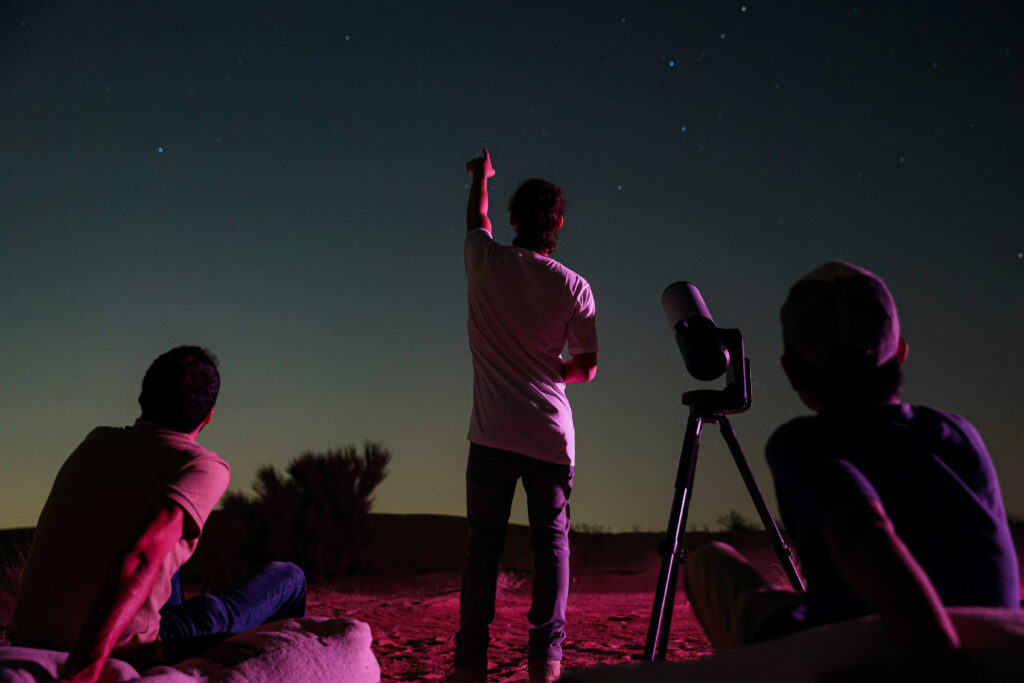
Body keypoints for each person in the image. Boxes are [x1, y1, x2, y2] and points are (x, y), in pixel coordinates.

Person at [684, 261, 1019, 678]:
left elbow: (863, 533)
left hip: (889, 645)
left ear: (791, 372)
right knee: (783, 601)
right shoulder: (959, 431)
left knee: (708, 564)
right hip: (994, 633)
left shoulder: (804, 443)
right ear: (900, 352)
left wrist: (942, 661)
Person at [10, 346, 307, 683]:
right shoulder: (203, 465)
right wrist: (85, 667)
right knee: (289, 578)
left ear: (142, 395)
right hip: (120, 647)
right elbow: (139, 557)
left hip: (30, 633)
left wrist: (209, 557)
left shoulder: (96, 442)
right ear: (208, 414)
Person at [452, 149, 599, 683]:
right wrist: (551, 371)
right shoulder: (574, 286)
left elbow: (477, 220)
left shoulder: (484, 261)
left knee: (482, 552)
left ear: (514, 221)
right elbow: (586, 368)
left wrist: (480, 178)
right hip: (549, 435)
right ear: (557, 224)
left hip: (492, 432)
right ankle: (547, 661)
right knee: (551, 547)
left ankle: (469, 665)